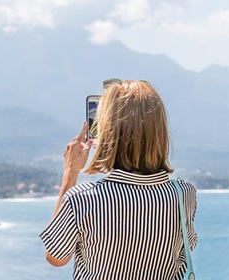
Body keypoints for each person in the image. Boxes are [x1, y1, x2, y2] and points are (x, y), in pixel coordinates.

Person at [39, 80, 197, 279]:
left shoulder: (82, 199)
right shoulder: (183, 194)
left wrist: (69, 174)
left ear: (107, 132)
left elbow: (56, 256)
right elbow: (185, 247)